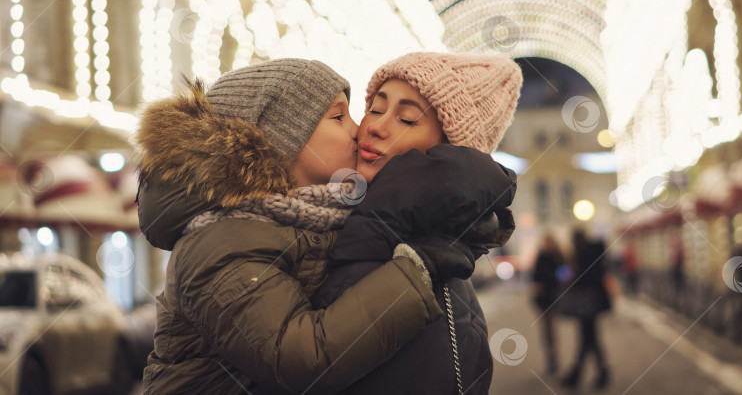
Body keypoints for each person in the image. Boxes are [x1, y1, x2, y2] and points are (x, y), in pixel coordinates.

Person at [134, 59, 512, 394]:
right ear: (284, 136)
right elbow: (300, 357)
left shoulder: (330, 216)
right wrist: (416, 272)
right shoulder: (221, 238)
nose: (362, 128)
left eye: (407, 119)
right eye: (339, 116)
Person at [312, 51, 523, 395]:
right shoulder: (342, 213)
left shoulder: (420, 271)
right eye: (375, 109)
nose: (376, 127)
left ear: (448, 153)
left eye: (408, 120)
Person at [560, 228, 611, 389]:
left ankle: (577, 375)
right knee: (590, 339)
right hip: (592, 303)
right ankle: (595, 373)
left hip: (585, 304)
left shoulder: (582, 256)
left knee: (587, 338)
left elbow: (577, 278)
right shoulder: (592, 253)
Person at [531, 233, 564, 374]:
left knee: (550, 328)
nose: (547, 245)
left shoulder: (558, 257)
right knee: (547, 328)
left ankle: (553, 357)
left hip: (555, 296)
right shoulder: (541, 257)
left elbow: (564, 274)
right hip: (544, 299)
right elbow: (535, 277)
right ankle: (551, 357)